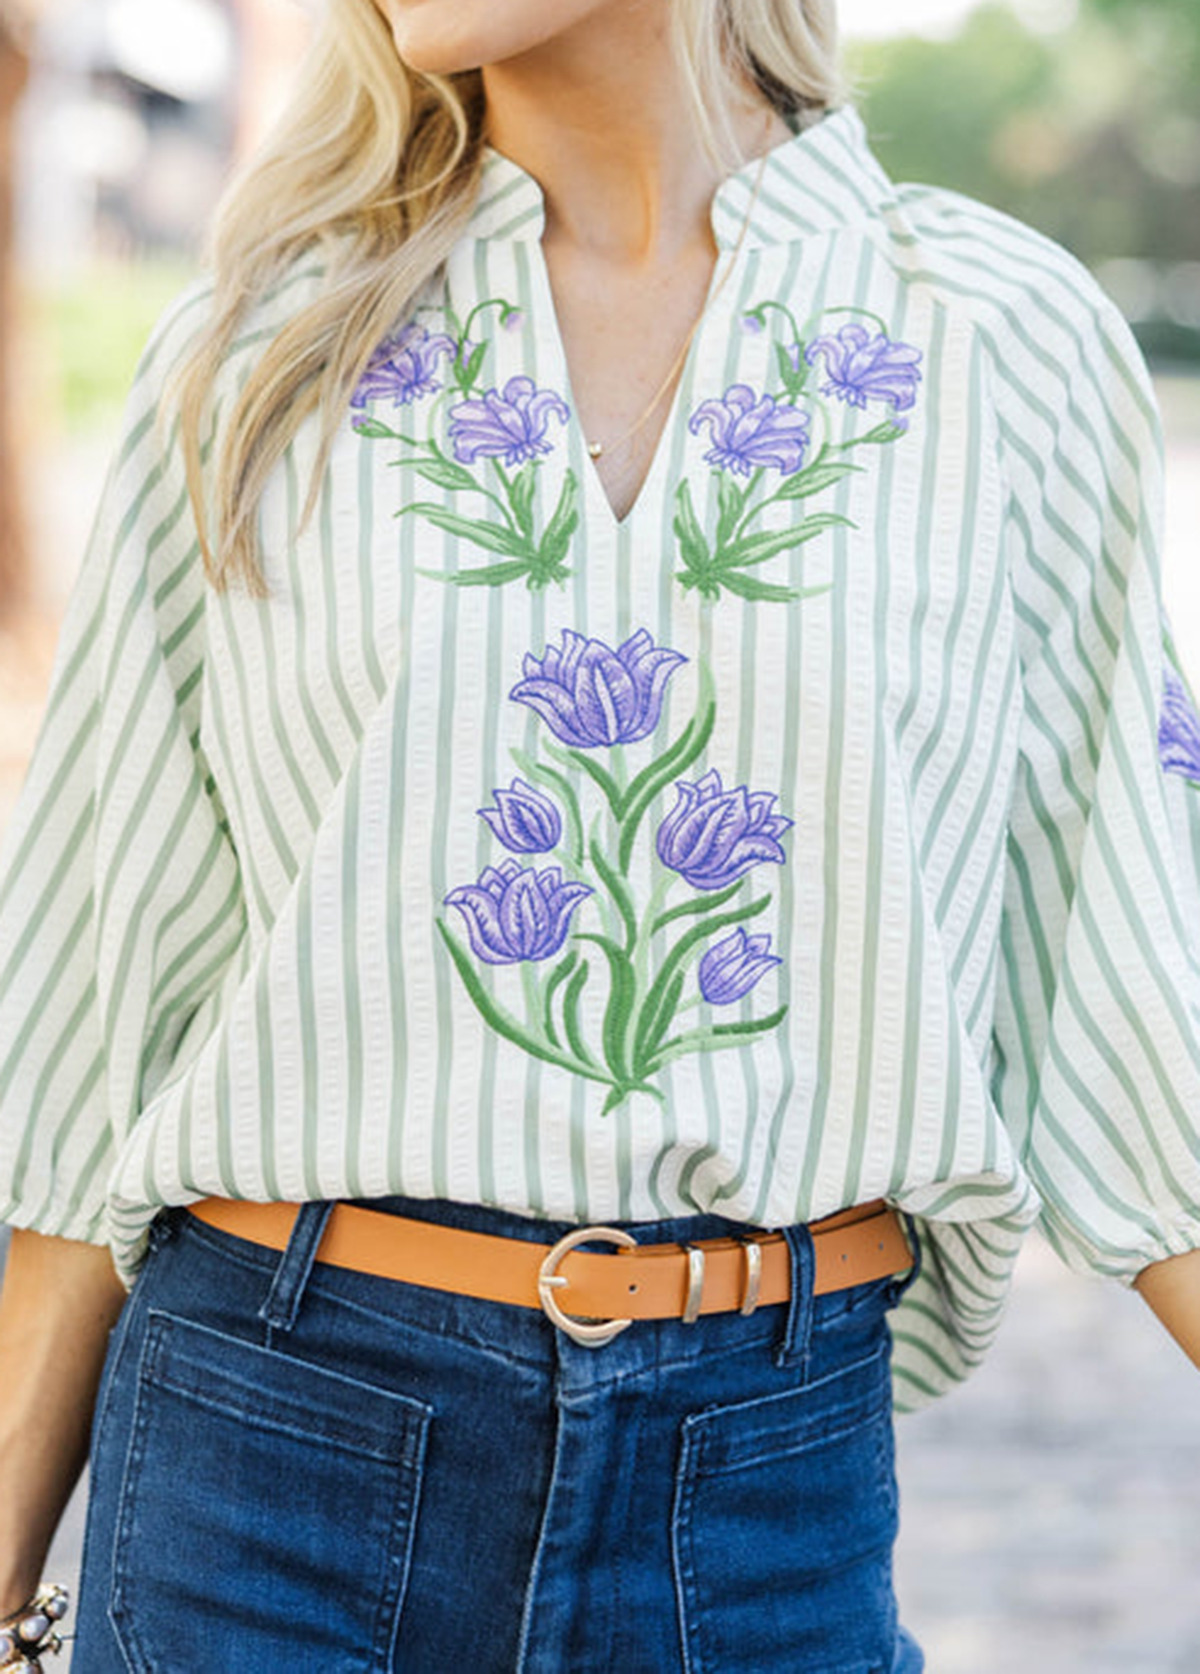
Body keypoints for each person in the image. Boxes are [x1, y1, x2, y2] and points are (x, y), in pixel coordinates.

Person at [1, 0, 1199, 1667]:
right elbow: (90, 1026)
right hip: (262, 1476)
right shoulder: (257, 346)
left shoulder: (1000, 337)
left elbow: (1136, 973)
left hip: (765, 1496)